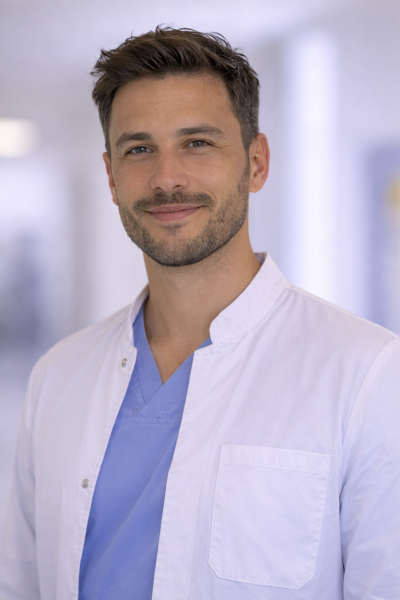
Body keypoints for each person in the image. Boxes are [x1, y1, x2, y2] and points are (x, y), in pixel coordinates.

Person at [0, 26, 399, 600]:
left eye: (197, 143)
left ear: (256, 163)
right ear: (111, 176)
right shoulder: (58, 376)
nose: (167, 178)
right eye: (139, 149)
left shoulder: (368, 376)